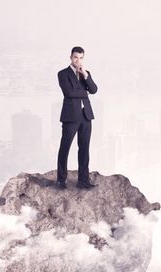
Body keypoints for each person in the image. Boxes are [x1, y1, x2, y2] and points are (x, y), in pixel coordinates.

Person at [56, 46, 98, 189]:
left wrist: (85, 76)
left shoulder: (86, 73)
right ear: (71, 57)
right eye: (75, 57)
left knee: (84, 148)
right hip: (71, 116)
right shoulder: (63, 74)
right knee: (65, 147)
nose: (78, 60)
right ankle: (61, 180)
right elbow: (69, 93)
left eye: (80, 58)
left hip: (86, 116)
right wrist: (84, 92)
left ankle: (83, 181)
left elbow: (93, 90)